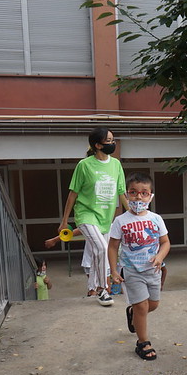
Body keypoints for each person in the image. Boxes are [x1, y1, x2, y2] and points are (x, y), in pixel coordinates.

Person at [58, 127, 128, 306]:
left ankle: (91, 287)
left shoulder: (116, 165)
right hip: (85, 214)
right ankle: (103, 289)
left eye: (113, 140)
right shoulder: (84, 165)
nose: (113, 144)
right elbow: (73, 193)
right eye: (109, 141)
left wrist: (134, 214)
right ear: (97, 145)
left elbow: (121, 192)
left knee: (99, 250)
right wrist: (65, 220)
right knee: (102, 248)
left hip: (105, 217)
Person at [108, 173, 170, 361]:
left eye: (144, 193)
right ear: (127, 195)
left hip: (153, 270)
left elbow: (166, 242)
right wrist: (113, 270)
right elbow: (112, 246)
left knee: (153, 304)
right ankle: (143, 343)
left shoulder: (156, 219)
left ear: (150, 196)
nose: (138, 197)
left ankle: (133, 313)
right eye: (133, 193)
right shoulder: (120, 221)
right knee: (142, 306)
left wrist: (160, 257)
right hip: (132, 270)